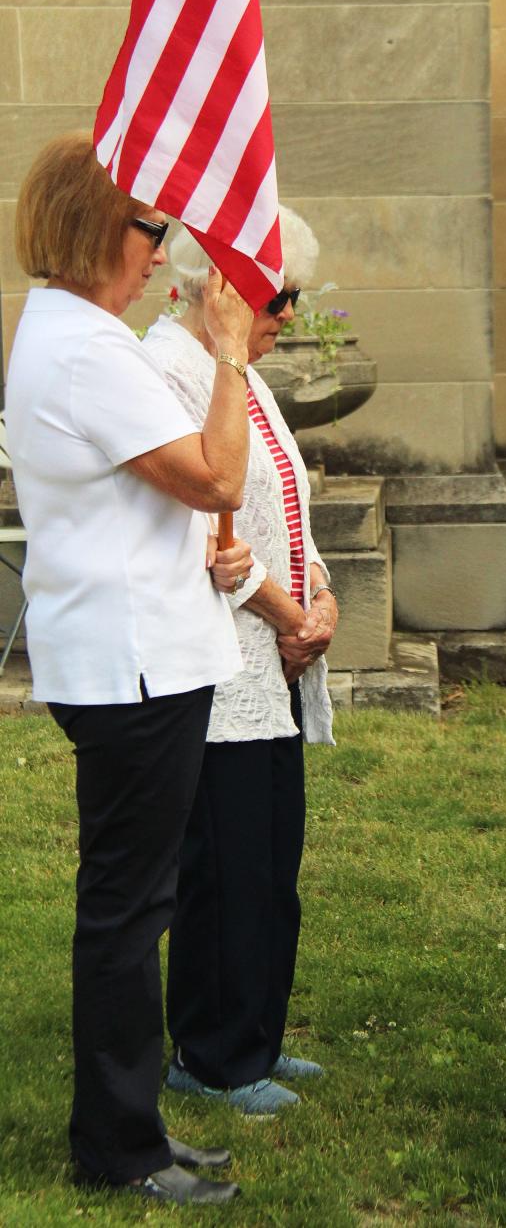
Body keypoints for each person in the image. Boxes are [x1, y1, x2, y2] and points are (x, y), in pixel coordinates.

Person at [4, 133, 257, 1203]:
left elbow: (155, 497)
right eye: (151, 228)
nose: (162, 251)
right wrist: (232, 350)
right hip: (130, 669)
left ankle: (135, 1121)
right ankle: (118, 1146)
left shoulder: (72, 334)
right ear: (98, 225)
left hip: (130, 657)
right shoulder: (84, 348)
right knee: (124, 912)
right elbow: (212, 472)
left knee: (133, 903)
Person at [140, 206, 338, 1117]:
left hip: (276, 668)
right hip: (221, 671)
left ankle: (259, 1033)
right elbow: (206, 542)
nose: (288, 313)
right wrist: (293, 614)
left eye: (292, 295)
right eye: (275, 294)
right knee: (224, 868)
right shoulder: (176, 373)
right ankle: (212, 1056)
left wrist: (323, 600)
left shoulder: (245, 378)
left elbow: (282, 506)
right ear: (218, 286)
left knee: (272, 860)